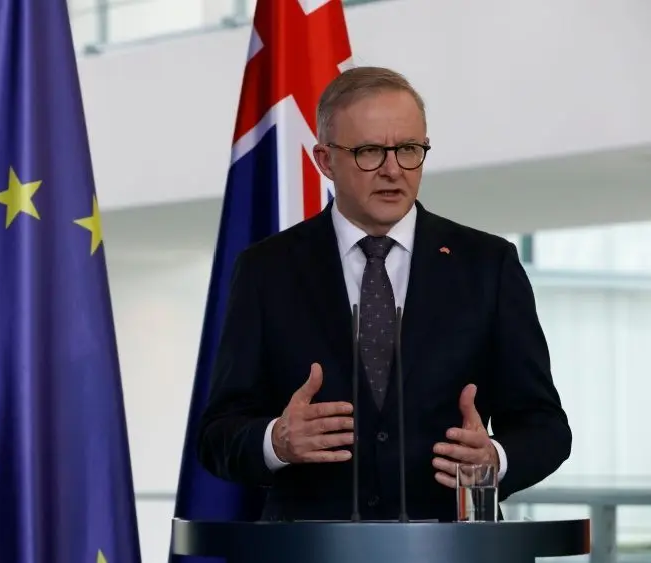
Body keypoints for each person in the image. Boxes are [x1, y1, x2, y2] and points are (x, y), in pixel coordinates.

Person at [195, 66, 571, 522]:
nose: (393, 170)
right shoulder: (266, 269)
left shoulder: (488, 265)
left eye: (410, 149)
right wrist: (276, 440)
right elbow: (217, 435)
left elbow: (546, 426)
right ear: (324, 160)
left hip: (449, 549)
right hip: (311, 551)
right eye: (370, 151)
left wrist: (495, 459)